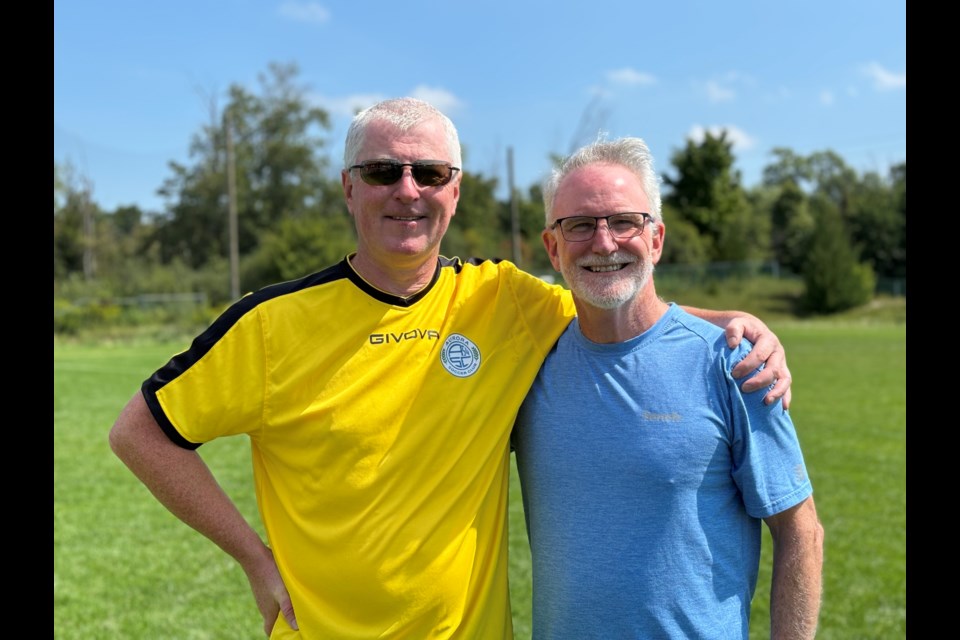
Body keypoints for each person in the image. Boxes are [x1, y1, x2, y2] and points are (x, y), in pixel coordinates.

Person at [108, 98, 794, 639]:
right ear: (349, 188)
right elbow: (140, 433)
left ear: (455, 192)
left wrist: (733, 323)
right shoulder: (270, 324)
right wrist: (255, 560)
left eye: (429, 173)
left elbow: (613, 288)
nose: (408, 191)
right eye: (383, 171)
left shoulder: (501, 301)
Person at [512, 136, 824, 639]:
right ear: (552, 247)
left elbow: (801, 531)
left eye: (624, 221)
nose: (604, 242)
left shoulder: (736, 362)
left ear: (656, 239)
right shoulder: (526, 362)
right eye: (580, 225)